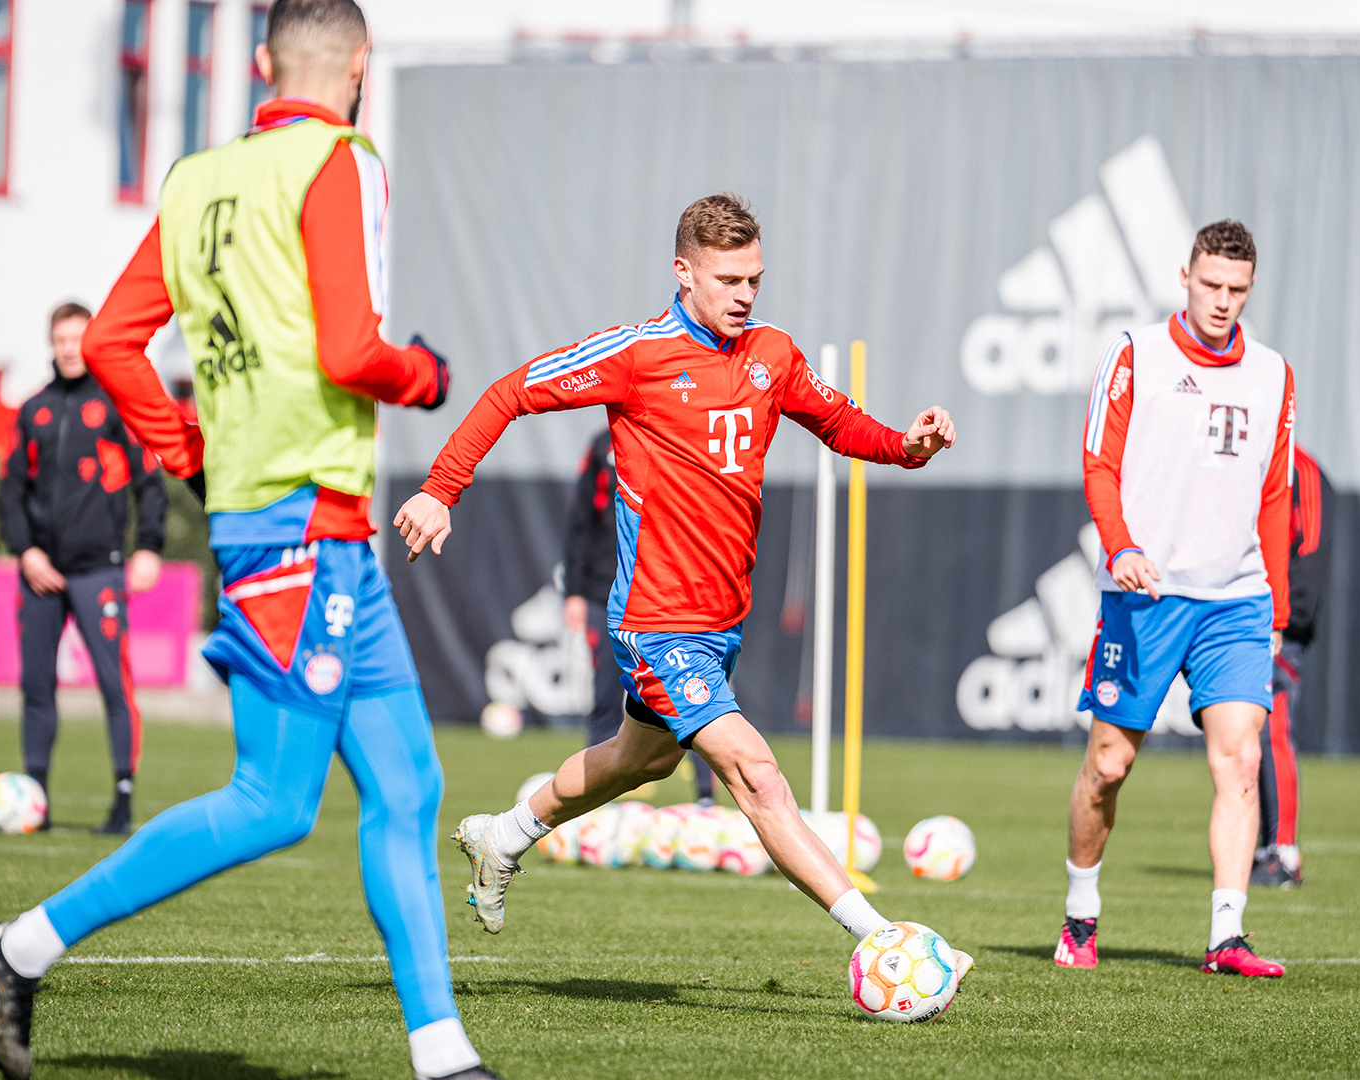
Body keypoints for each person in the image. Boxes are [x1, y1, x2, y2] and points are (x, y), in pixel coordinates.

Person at [0, 4, 500, 1079]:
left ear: (259, 65)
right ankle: (18, 948)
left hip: (292, 516)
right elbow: (352, 350)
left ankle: (444, 1056)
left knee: (409, 787)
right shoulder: (344, 160)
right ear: (357, 68)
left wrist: (181, 443)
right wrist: (425, 374)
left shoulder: (198, 178)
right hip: (305, 519)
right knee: (275, 801)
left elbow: (112, 342)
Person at [394, 194, 968, 974]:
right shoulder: (638, 353)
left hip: (721, 623)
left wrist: (909, 445)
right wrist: (440, 488)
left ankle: (505, 834)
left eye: (754, 280)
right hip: (656, 623)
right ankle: (882, 939)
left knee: (643, 761)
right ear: (683, 272)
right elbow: (510, 391)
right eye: (728, 278)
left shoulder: (771, 353)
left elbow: (840, 424)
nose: (744, 294)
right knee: (755, 774)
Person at [1057, 220, 1293, 977]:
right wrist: (1121, 545)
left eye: (1237, 289)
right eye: (1211, 285)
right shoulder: (1135, 354)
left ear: (1250, 289)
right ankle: (1080, 915)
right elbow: (1100, 463)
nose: (1222, 301)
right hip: (1147, 595)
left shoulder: (1273, 372)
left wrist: (1278, 610)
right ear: (1184, 278)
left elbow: (1276, 496)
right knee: (1109, 766)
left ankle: (1227, 935)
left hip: (1236, 601)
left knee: (1240, 762)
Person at [1, 301, 168, 835]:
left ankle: (121, 801)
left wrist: (148, 547)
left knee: (113, 686)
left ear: (90, 341)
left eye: (78, 338)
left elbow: (149, 482)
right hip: (41, 574)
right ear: (51, 344)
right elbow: (10, 489)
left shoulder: (115, 406)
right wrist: (26, 551)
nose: (69, 348)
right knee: (36, 686)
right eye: (61, 339)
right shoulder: (34, 411)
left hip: (100, 569)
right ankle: (36, 801)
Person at [562, 428, 715, 801]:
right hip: (604, 591)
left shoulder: (679, 432)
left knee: (696, 692)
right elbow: (580, 519)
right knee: (603, 693)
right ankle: (598, 796)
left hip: (666, 594)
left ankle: (705, 795)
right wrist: (574, 592)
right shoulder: (603, 445)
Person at [1250, 446, 1330, 888]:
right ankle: (1265, 849)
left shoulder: (1301, 469)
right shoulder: (1246, 456)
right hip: (1244, 616)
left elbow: (1311, 548)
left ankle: (1284, 853)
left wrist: (1288, 620)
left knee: (1274, 731)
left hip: (1279, 625)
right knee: (1249, 737)